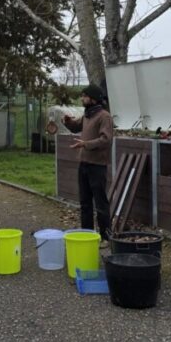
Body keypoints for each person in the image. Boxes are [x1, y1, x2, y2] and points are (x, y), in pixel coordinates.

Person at [62, 85, 114, 240]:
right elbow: (75, 127)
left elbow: (106, 139)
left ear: (93, 99)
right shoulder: (87, 115)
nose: (81, 98)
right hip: (83, 163)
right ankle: (87, 236)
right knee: (85, 203)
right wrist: (68, 122)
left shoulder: (104, 117)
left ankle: (105, 237)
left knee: (100, 204)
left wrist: (86, 144)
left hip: (97, 166)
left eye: (84, 96)